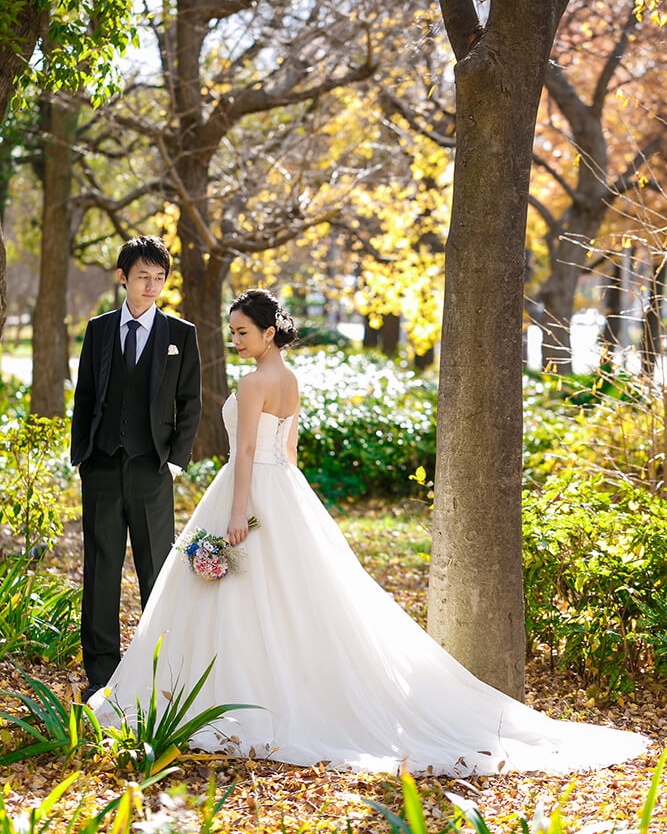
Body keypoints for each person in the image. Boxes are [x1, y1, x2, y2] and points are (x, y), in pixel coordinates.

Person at [89, 289, 647, 775]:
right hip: (282, 489)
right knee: (277, 598)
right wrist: (287, 502)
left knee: (236, 594)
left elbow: (250, 454)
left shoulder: (256, 381)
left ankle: (234, 693)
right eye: (233, 332)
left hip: (246, 493)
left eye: (241, 331)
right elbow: (290, 454)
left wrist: (239, 514)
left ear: (266, 332)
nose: (235, 339)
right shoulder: (291, 378)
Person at [72, 235, 202, 702]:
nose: (152, 285)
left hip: (152, 469)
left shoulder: (181, 334)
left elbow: (191, 403)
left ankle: (158, 671)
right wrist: (83, 455)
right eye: (143, 276)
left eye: (159, 278)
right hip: (102, 467)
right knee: (101, 569)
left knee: (155, 570)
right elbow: (86, 395)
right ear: (123, 277)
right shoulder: (99, 328)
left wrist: (173, 462)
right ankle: (102, 675)